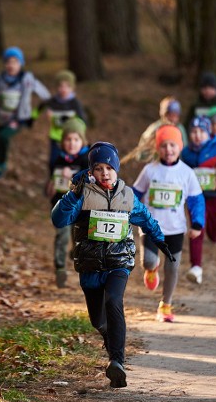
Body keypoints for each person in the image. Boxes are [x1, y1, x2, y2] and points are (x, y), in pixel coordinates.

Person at [51, 142, 174, 388]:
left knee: (114, 300)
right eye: (98, 168)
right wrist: (73, 193)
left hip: (119, 262)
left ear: (116, 169)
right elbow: (58, 219)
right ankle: (109, 338)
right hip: (90, 265)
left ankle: (117, 362)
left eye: (109, 167)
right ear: (90, 172)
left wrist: (160, 241)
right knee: (98, 320)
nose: (104, 173)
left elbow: (146, 219)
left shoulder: (126, 196)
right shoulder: (82, 194)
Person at [132, 126, 205, 322]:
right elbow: (135, 193)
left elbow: (196, 200)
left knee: (172, 268)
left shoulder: (187, 173)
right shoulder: (150, 170)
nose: (168, 150)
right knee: (148, 260)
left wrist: (197, 223)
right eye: (164, 146)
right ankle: (151, 268)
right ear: (158, 148)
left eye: (173, 145)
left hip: (175, 229)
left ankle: (166, 305)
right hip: (150, 226)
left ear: (180, 147)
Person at [0, 47, 51, 184]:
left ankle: (1, 167)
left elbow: (45, 94)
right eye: (8, 62)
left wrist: (47, 108)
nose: (11, 65)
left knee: (3, 137)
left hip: (20, 119)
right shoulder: (0, 80)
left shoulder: (27, 80)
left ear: (21, 64)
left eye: (15, 62)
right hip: (3, 118)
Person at [181, 116, 216, 285]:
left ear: (208, 133)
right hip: (196, 198)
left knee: (215, 235)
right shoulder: (186, 152)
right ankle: (196, 267)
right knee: (196, 230)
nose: (197, 135)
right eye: (193, 132)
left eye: (201, 132)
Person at [46, 118, 90, 288]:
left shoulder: (86, 159)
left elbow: (89, 180)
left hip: (80, 208)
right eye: (68, 140)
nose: (72, 144)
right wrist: (50, 186)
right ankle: (60, 269)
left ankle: (76, 254)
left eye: (76, 140)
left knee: (78, 236)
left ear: (82, 141)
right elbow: (52, 181)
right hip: (61, 206)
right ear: (62, 141)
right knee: (61, 236)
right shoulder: (58, 159)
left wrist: (72, 175)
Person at [37, 69, 88, 171]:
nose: (63, 89)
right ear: (57, 87)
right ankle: (53, 182)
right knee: (54, 162)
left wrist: (74, 124)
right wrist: (33, 118)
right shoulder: (53, 101)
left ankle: (73, 183)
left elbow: (83, 120)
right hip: (56, 137)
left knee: (72, 162)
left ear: (72, 88)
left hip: (71, 138)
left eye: (67, 86)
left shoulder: (75, 103)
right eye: (61, 86)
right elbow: (39, 107)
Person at [127, 96, 188, 164]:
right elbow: (141, 154)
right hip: (157, 165)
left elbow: (185, 150)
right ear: (164, 114)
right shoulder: (155, 129)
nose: (173, 119)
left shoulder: (180, 128)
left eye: (176, 115)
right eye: (170, 115)